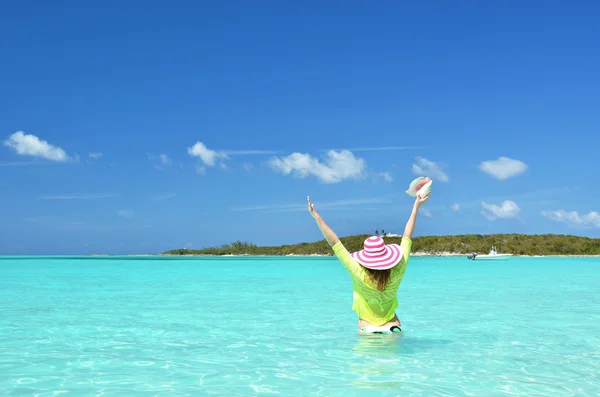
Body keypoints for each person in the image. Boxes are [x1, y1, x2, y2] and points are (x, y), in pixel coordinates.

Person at [307, 192, 430, 334]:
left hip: (367, 327)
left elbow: (335, 243)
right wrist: (416, 206)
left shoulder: (357, 271)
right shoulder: (399, 267)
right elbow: (407, 236)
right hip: (393, 325)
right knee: (394, 357)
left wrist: (316, 217)